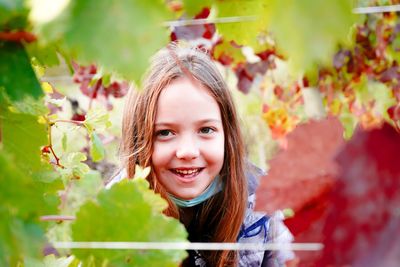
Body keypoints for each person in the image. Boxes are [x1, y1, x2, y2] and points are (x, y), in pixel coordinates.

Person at [110, 43, 294, 266]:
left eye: (206, 130)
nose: (188, 151)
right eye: (165, 132)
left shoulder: (262, 197)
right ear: (138, 139)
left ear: (227, 135)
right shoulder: (115, 210)